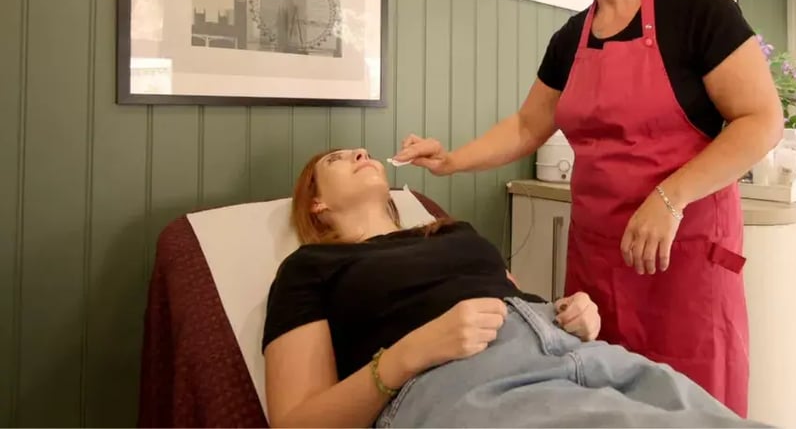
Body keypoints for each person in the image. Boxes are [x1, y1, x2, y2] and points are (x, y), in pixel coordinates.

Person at [391, 0, 783, 418]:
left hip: (684, 263)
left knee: (693, 410)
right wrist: (451, 160)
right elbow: (529, 125)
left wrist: (669, 197)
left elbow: (761, 120)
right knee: (603, 406)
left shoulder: (695, 8)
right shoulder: (569, 38)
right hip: (597, 270)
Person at [261, 147, 766, 428]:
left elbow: (516, 297)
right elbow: (297, 422)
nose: (359, 152)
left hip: (574, 353)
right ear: (316, 205)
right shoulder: (310, 266)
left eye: (360, 150)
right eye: (337, 160)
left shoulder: (451, 230)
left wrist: (575, 312)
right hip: (461, 383)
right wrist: (411, 352)